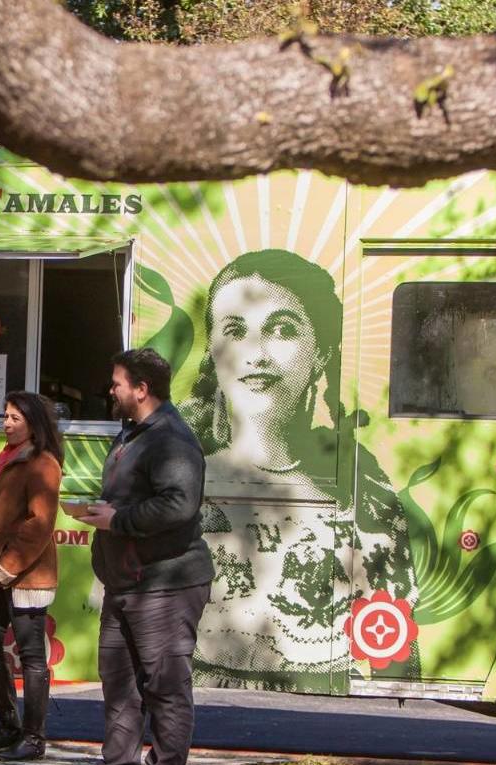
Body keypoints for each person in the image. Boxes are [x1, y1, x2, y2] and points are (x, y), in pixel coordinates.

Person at [176, 249, 412, 683]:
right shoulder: (182, 479)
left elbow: (397, 651)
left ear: (320, 352)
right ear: (212, 348)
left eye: (282, 330)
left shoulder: (368, 496)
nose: (257, 354)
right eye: (235, 330)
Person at [63, 348, 213, 765]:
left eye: (117, 383)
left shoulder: (170, 438)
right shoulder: (134, 433)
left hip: (164, 584)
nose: (111, 390)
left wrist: (118, 519)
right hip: (125, 583)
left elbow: (179, 504)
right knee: (119, 683)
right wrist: (103, 513)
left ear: (142, 390)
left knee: (165, 688)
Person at [0, 391, 63, 761]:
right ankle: (8, 725)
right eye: (4, 416)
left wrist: (9, 565)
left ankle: (33, 738)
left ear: (33, 424)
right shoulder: (7, 458)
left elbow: (39, 523)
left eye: (14, 418)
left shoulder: (42, 463)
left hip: (27, 574)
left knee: (32, 654)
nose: (6, 423)